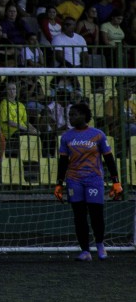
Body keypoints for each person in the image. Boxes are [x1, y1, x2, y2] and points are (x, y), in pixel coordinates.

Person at [54, 102, 122, 261]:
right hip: (74, 180)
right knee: (79, 216)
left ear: (84, 115)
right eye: (69, 115)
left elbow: (109, 159)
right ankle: (85, 251)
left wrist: (116, 182)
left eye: (74, 114)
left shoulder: (98, 135)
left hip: (94, 179)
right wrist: (59, 184)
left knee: (96, 214)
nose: (71, 117)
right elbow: (63, 162)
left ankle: (100, 244)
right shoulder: (66, 137)